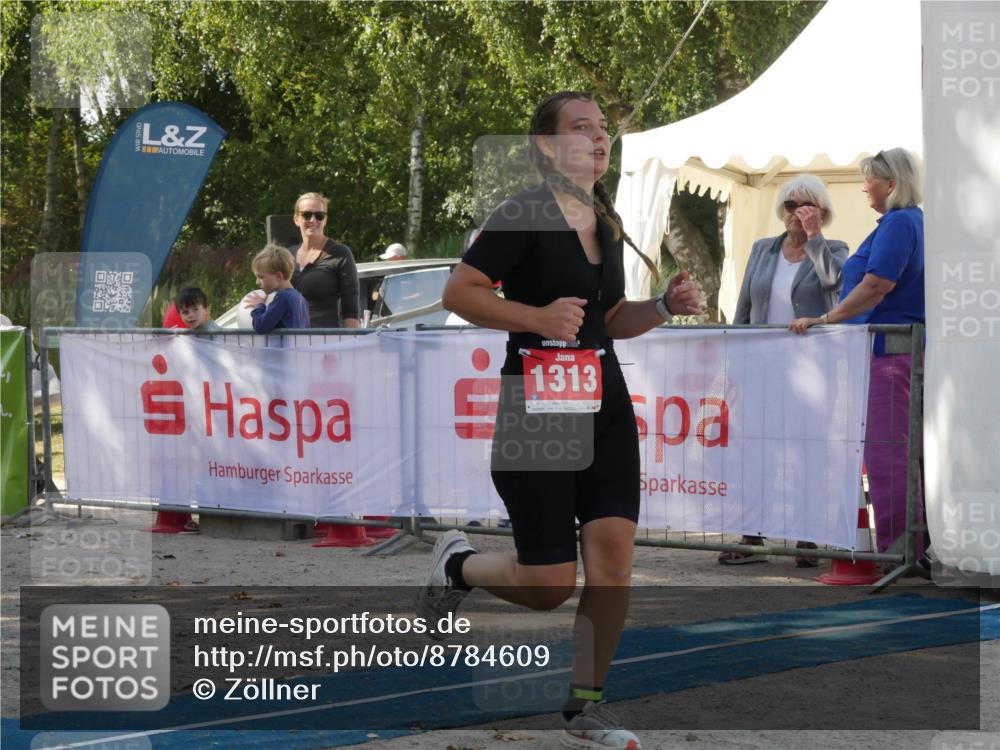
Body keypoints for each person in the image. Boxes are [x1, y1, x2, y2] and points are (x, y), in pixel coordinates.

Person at [417, 91, 701, 750]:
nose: (599, 140)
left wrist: (661, 305)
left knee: (613, 557)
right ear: (546, 147)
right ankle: (457, 566)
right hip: (539, 409)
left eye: (603, 130)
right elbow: (459, 292)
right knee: (547, 586)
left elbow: (608, 321)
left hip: (603, 407)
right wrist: (537, 319)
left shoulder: (606, 220)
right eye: (581, 129)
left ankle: (585, 707)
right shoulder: (522, 214)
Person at [790, 148, 925, 560]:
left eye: (869, 179)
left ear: (892, 184)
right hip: (895, 351)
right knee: (900, 450)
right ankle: (910, 547)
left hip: (890, 354)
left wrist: (826, 317)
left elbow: (875, 286)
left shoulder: (900, 224)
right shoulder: (906, 222)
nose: (863, 186)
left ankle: (898, 550)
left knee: (888, 453)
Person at [722, 174, 849, 567]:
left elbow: (838, 287)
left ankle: (806, 536)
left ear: (823, 212)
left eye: (808, 206)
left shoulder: (835, 248)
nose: (798, 213)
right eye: (792, 206)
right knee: (756, 449)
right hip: (761, 368)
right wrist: (735, 363)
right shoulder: (763, 249)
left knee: (805, 450)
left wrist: (814, 240)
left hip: (811, 372)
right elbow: (744, 308)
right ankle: (752, 534)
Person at [289, 192, 360, 328]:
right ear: (296, 219)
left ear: (325, 220)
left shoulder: (340, 253)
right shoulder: (287, 255)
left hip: (325, 342)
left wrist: (349, 344)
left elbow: (351, 309)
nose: (313, 220)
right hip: (289, 340)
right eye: (307, 215)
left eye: (319, 216)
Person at [244, 244, 310, 333]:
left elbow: (260, 326)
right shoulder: (300, 297)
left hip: (285, 347)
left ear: (278, 276)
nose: (257, 282)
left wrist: (259, 305)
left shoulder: (283, 297)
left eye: (260, 277)